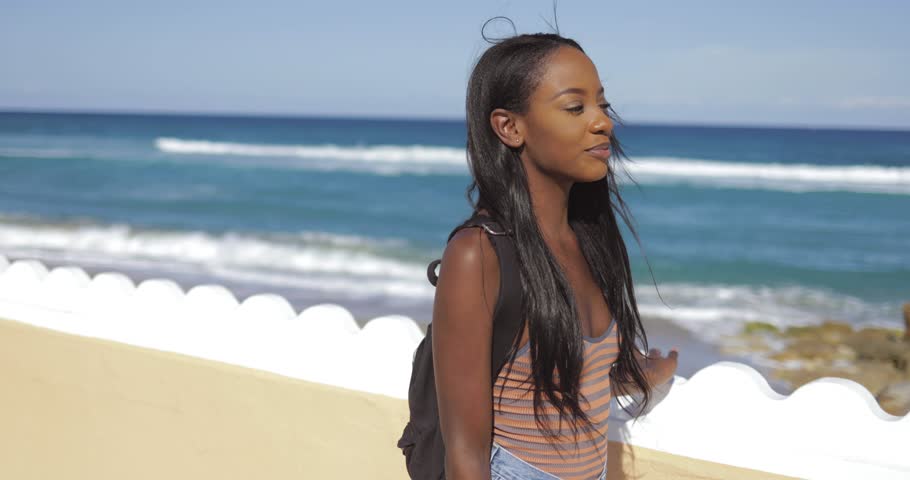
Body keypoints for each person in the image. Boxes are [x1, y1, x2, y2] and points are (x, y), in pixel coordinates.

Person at [431, 30, 680, 480]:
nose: (602, 122)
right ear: (510, 127)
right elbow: (465, 454)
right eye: (574, 107)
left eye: (602, 105)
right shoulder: (478, 255)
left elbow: (566, 380)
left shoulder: (588, 238)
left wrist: (643, 372)